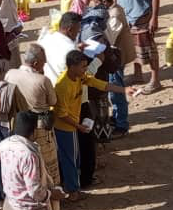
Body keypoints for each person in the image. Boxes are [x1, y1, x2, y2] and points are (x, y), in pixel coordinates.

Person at [53, 50, 132, 200]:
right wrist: (78, 126)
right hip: (65, 128)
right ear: (72, 67)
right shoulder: (63, 86)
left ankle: (72, 188)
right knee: (71, 159)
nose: (85, 70)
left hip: (71, 126)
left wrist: (124, 90)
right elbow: (61, 114)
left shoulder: (79, 77)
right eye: (82, 67)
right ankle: (73, 191)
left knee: (73, 158)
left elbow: (100, 84)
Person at [83, 0, 135, 138]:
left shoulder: (114, 15)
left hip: (115, 58)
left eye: (95, 2)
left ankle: (121, 125)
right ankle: (117, 118)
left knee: (116, 90)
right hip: (112, 55)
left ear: (104, 2)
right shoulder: (112, 11)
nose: (93, 5)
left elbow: (108, 39)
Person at [5, 43, 60, 186]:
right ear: (36, 63)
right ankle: (51, 194)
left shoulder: (10, 74)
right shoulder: (42, 80)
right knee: (47, 161)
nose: (46, 63)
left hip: (19, 125)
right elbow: (53, 101)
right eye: (43, 60)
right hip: (40, 124)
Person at [113, 0, 162, 93]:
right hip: (125, 16)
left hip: (142, 16)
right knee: (132, 47)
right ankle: (138, 74)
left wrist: (154, 17)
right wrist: (114, 9)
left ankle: (155, 80)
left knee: (148, 48)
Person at [41, 12, 84, 83]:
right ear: (69, 30)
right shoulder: (71, 49)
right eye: (78, 29)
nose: (79, 32)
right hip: (64, 89)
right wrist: (98, 60)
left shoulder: (46, 38)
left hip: (48, 84)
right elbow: (81, 75)